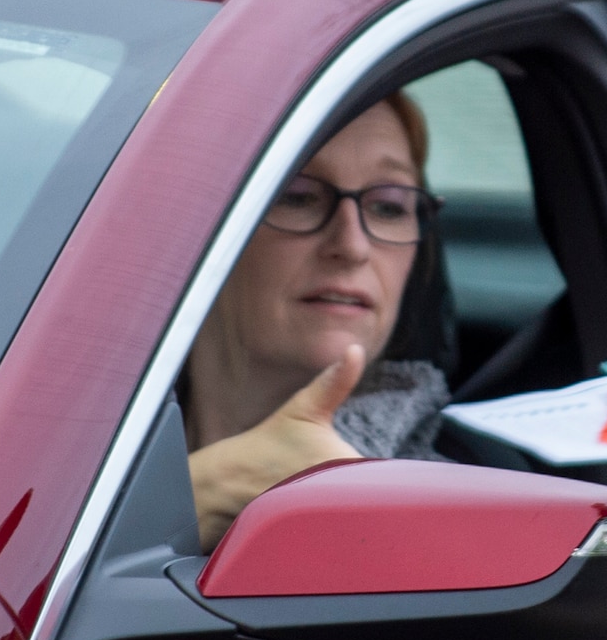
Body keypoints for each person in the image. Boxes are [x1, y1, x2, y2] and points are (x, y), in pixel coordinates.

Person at [185, 92, 450, 549]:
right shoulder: (60, 445)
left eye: (388, 205)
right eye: (298, 196)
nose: (352, 246)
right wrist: (204, 492)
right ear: (197, 226)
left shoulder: (460, 501)